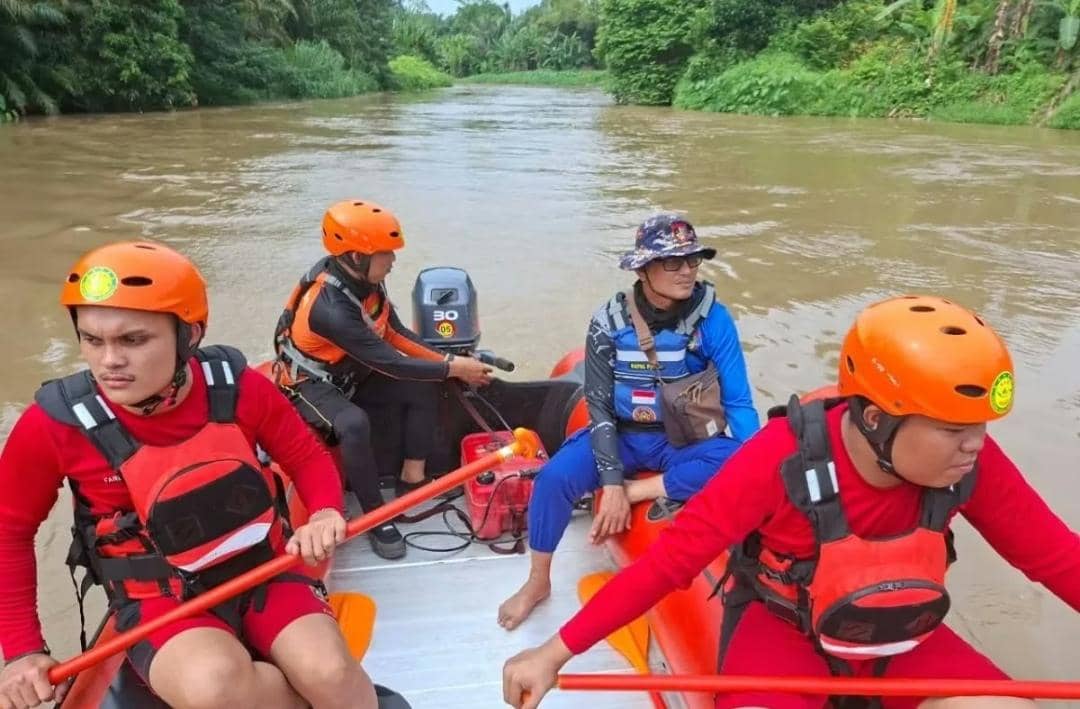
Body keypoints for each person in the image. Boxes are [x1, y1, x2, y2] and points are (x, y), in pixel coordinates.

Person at [502, 294, 1080, 709]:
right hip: (783, 637)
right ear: (876, 420)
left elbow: (1056, 558)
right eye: (954, 428)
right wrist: (554, 653)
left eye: (978, 425)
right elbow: (669, 564)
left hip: (905, 639)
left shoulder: (972, 462)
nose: (976, 443)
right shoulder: (779, 460)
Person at [0, 241, 376, 709]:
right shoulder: (52, 425)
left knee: (332, 672)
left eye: (133, 340)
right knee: (213, 686)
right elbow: (10, 532)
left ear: (189, 334)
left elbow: (306, 455)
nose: (109, 361)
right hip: (158, 598)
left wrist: (322, 512)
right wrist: (23, 650)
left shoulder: (237, 386)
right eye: (92, 340)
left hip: (264, 569)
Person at [497, 213, 760, 631]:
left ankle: (645, 489)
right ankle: (538, 581)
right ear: (643, 269)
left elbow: (738, 401)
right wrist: (610, 482)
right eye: (673, 262)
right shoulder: (608, 323)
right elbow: (598, 405)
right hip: (621, 434)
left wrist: (758, 467)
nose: (687, 271)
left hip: (682, 441)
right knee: (552, 480)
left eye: (692, 260)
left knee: (737, 460)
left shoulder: (714, 320)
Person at [272, 199, 493, 560]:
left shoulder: (367, 285)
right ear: (357, 257)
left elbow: (395, 335)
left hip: (351, 370)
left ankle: (412, 478)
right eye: (385, 254)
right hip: (310, 384)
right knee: (354, 424)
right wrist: (454, 369)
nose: (392, 261)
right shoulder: (329, 307)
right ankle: (376, 516)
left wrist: (450, 359)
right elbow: (390, 363)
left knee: (425, 385)